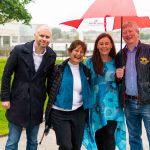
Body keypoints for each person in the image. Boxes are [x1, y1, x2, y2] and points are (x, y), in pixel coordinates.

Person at [1, 25, 56, 150]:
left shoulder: (51, 56)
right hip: (17, 101)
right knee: (12, 141)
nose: (44, 39)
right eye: (42, 35)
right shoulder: (19, 50)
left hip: (37, 103)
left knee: (32, 141)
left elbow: (50, 81)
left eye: (47, 37)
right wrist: (5, 97)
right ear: (35, 35)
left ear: (50, 39)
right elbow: (6, 75)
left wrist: (52, 101)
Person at [45, 40, 93, 150]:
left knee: (76, 146)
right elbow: (51, 89)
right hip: (59, 113)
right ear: (70, 51)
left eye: (82, 52)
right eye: (76, 50)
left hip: (79, 113)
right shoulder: (58, 69)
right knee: (66, 146)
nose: (78, 54)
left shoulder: (85, 70)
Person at [82, 33, 126, 150]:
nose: (104, 46)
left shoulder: (118, 61)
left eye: (107, 43)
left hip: (113, 106)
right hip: (95, 106)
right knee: (98, 136)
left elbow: (122, 84)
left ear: (111, 45)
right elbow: (83, 82)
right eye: (101, 44)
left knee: (109, 134)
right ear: (97, 46)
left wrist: (120, 77)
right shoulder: (89, 62)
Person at [116, 22, 150, 150]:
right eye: (124, 32)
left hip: (147, 102)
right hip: (129, 103)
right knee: (134, 137)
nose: (127, 34)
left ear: (137, 33)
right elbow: (118, 81)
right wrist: (118, 77)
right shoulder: (120, 55)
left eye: (130, 31)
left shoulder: (148, 50)